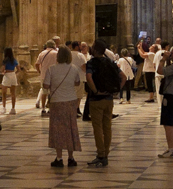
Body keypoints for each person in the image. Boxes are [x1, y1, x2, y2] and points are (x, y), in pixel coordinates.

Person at [86, 38, 122, 166]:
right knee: (107, 127)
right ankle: (106, 153)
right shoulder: (110, 62)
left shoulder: (91, 63)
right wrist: (116, 90)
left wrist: (95, 91)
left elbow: (89, 77)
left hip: (96, 100)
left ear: (95, 50)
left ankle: (100, 154)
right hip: (109, 99)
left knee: (97, 128)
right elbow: (123, 76)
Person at [45, 45, 82, 166]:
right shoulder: (74, 68)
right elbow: (77, 83)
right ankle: (71, 158)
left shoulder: (51, 69)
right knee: (70, 128)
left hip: (56, 102)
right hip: (71, 101)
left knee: (58, 129)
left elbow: (46, 85)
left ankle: (59, 158)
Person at [34, 39, 57, 116]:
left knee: (44, 92)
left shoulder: (42, 53)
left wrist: (40, 71)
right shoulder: (56, 53)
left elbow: (37, 64)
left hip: (44, 75)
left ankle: (43, 109)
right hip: (53, 75)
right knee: (52, 93)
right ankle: (50, 109)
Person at [0, 47, 18, 114]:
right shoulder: (14, 60)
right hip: (13, 75)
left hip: (7, 75)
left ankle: (4, 108)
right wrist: (14, 73)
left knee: (4, 93)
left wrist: (3, 72)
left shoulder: (5, 60)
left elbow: (2, 69)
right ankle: (13, 109)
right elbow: (18, 69)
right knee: (13, 93)